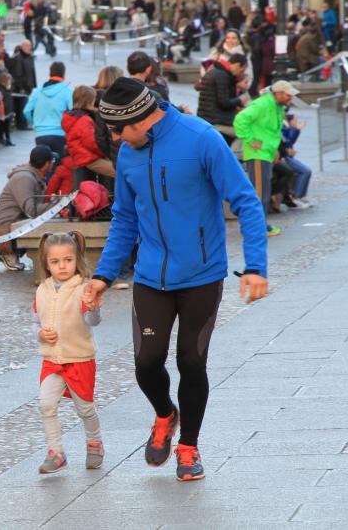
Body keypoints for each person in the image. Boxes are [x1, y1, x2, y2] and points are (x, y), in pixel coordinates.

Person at [85, 77, 268, 481]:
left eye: (117, 129)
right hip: (151, 275)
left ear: (140, 119)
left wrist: (256, 266)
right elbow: (124, 219)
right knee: (146, 363)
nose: (114, 138)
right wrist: (102, 275)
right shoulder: (129, 152)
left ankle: (189, 446)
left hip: (202, 273)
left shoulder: (201, 138)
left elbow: (246, 201)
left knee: (191, 360)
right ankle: (165, 414)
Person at [34, 231, 105, 473]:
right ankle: (56, 452)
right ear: (46, 263)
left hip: (79, 358)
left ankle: (94, 444)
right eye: (55, 261)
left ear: (77, 259)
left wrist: (93, 308)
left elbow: (92, 321)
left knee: (84, 408)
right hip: (52, 359)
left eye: (68, 260)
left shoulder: (84, 288)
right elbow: (35, 321)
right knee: (46, 404)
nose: (62, 266)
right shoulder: (42, 290)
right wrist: (40, 333)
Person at [233, 80, 299, 237]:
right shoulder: (262, 104)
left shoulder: (277, 106)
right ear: (279, 93)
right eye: (288, 95)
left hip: (265, 153)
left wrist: (275, 150)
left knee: (264, 192)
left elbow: (273, 132)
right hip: (257, 154)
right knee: (259, 193)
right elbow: (240, 120)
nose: (290, 98)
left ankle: (261, 223)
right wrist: (250, 139)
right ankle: (256, 227)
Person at [0, 145, 57, 270]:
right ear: (47, 164)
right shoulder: (24, 178)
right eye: (52, 161)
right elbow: (31, 210)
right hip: (6, 228)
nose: (53, 164)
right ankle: (6, 251)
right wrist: (58, 205)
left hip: (18, 220)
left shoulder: (34, 175)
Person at [61, 85, 115, 179]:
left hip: (81, 155)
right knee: (117, 171)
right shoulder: (84, 119)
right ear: (89, 101)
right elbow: (91, 143)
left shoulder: (73, 116)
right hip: (89, 158)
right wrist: (106, 152)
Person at [196, 53, 248, 144]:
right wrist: (240, 100)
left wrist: (236, 84)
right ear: (237, 65)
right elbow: (224, 103)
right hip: (217, 122)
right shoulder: (222, 76)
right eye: (242, 70)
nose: (241, 73)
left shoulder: (217, 72)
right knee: (245, 134)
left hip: (208, 119)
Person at [23, 61, 73, 156]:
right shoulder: (67, 91)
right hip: (60, 134)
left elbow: (27, 111)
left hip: (41, 134)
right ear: (64, 74)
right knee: (59, 163)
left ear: (50, 73)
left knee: (43, 163)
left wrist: (36, 122)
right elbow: (73, 112)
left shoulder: (37, 91)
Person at [9, 40, 37, 131]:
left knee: (24, 105)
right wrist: (21, 87)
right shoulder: (18, 58)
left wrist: (34, 85)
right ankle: (22, 124)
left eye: (30, 46)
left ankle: (22, 123)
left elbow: (32, 72)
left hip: (28, 86)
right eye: (28, 46)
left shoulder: (29, 57)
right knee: (22, 106)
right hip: (21, 88)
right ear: (23, 47)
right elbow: (18, 74)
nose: (30, 48)